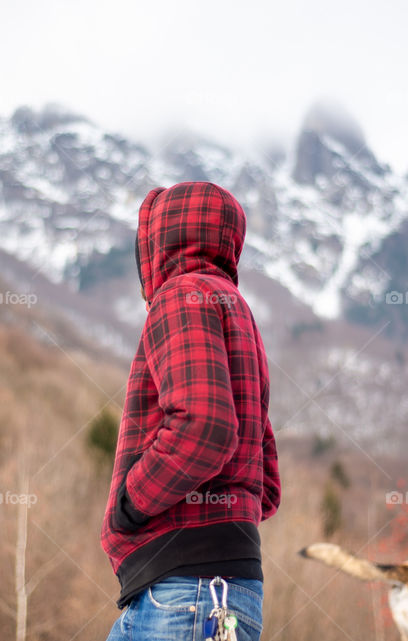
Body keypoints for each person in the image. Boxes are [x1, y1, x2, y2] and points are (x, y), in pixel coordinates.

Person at [102, 182, 281, 641]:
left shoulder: (182, 295)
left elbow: (205, 429)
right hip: (217, 588)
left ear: (159, 240)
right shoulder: (235, 307)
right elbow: (267, 485)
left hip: (186, 592)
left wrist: (132, 503)